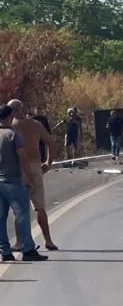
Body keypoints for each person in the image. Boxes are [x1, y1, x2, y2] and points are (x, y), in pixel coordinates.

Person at [6, 100, 57, 252]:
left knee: (20, 208)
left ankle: (19, 242)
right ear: (22, 109)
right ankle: (48, 240)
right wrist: (48, 162)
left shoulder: (11, 127)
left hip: (19, 168)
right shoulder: (36, 125)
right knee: (40, 207)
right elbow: (50, 142)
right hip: (35, 166)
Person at [0, 104, 48, 262]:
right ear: (9, 116)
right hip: (13, 180)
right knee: (21, 215)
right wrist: (27, 178)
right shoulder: (13, 135)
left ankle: (5, 251)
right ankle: (28, 249)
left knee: (1, 218)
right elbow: (23, 158)